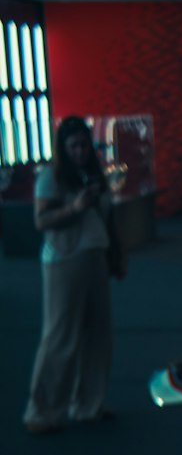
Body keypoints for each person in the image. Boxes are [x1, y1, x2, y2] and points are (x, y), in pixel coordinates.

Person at [24, 115, 126, 434]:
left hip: (94, 255)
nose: (80, 151)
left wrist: (116, 255)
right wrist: (75, 207)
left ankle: (88, 405)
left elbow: (109, 219)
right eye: (74, 146)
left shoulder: (93, 174)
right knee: (61, 335)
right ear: (63, 148)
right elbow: (41, 221)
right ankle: (41, 411)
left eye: (84, 145)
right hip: (64, 260)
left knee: (98, 334)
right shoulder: (51, 178)